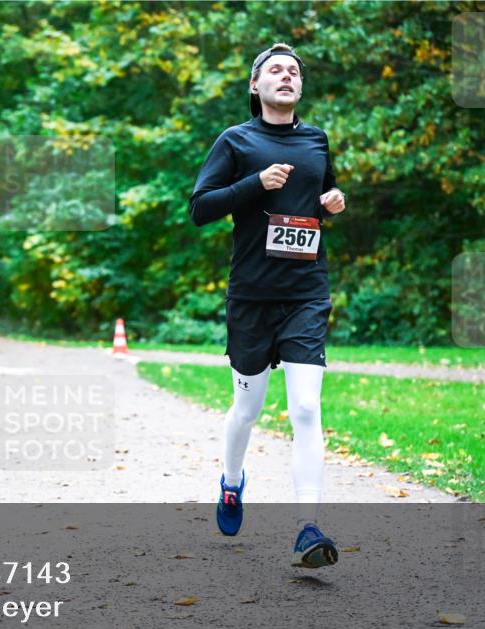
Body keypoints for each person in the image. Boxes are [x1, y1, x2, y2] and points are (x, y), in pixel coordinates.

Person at [189, 43, 347, 568]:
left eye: (294, 71)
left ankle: (308, 527)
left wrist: (333, 203)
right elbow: (201, 209)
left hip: (305, 290)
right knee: (249, 409)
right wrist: (255, 183)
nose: (287, 76)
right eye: (275, 70)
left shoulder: (316, 140)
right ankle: (232, 482)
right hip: (252, 295)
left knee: (305, 408)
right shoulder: (236, 140)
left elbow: (319, 202)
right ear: (255, 86)